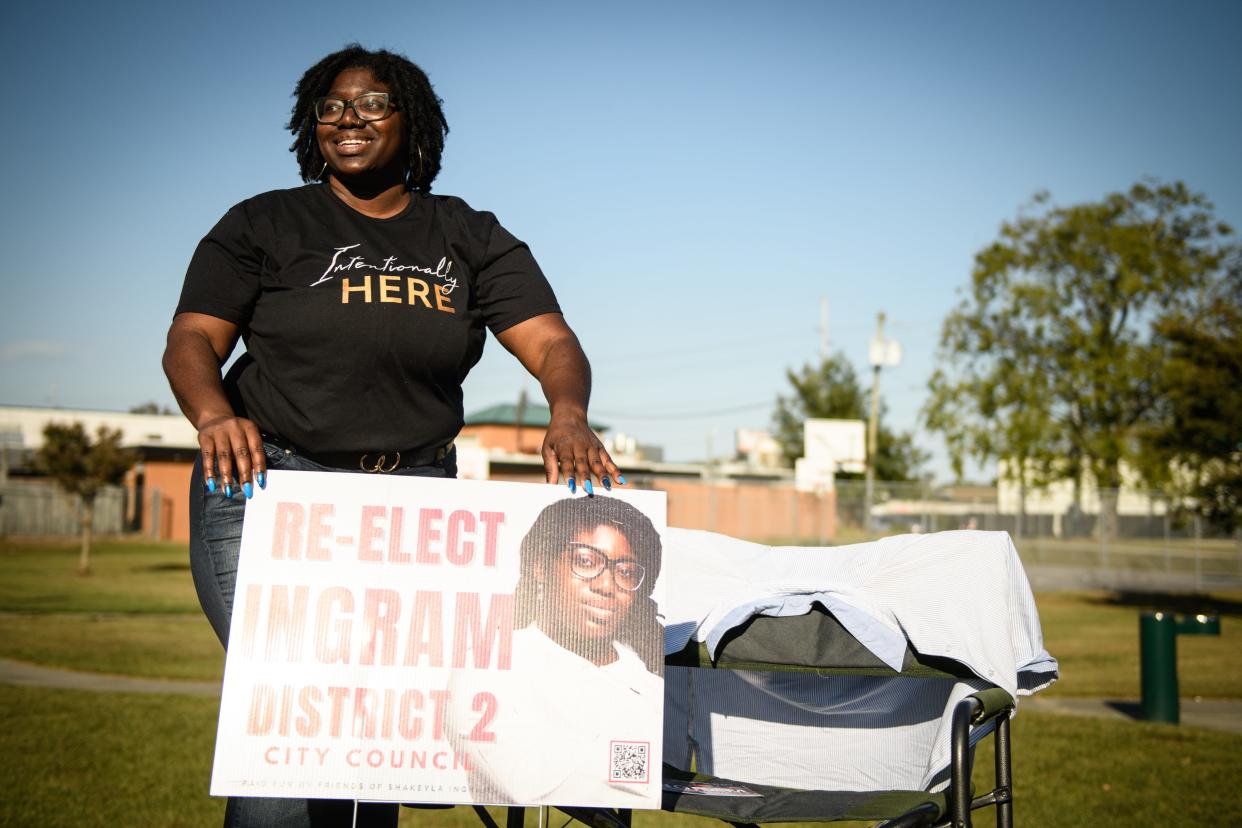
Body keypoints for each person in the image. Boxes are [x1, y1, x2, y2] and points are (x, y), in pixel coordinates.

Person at [163, 44, 624, 828]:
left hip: (412, 502)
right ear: (314, 128)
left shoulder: (466, 235)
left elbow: (552, 344)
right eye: (333, 107)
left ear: (414, 123)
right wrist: (215, 415)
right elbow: (191, 341)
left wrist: (568, 413)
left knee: (376, 726)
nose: (350, 120)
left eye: (373, 104)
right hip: (272, 486)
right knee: (294, 701)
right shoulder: (265, 223)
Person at [447, 496, 664, 806]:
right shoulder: (489, 662)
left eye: (626, 571)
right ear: (541, 566)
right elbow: (524, 783)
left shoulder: (651, 687)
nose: (607, 585)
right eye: (586, 562)